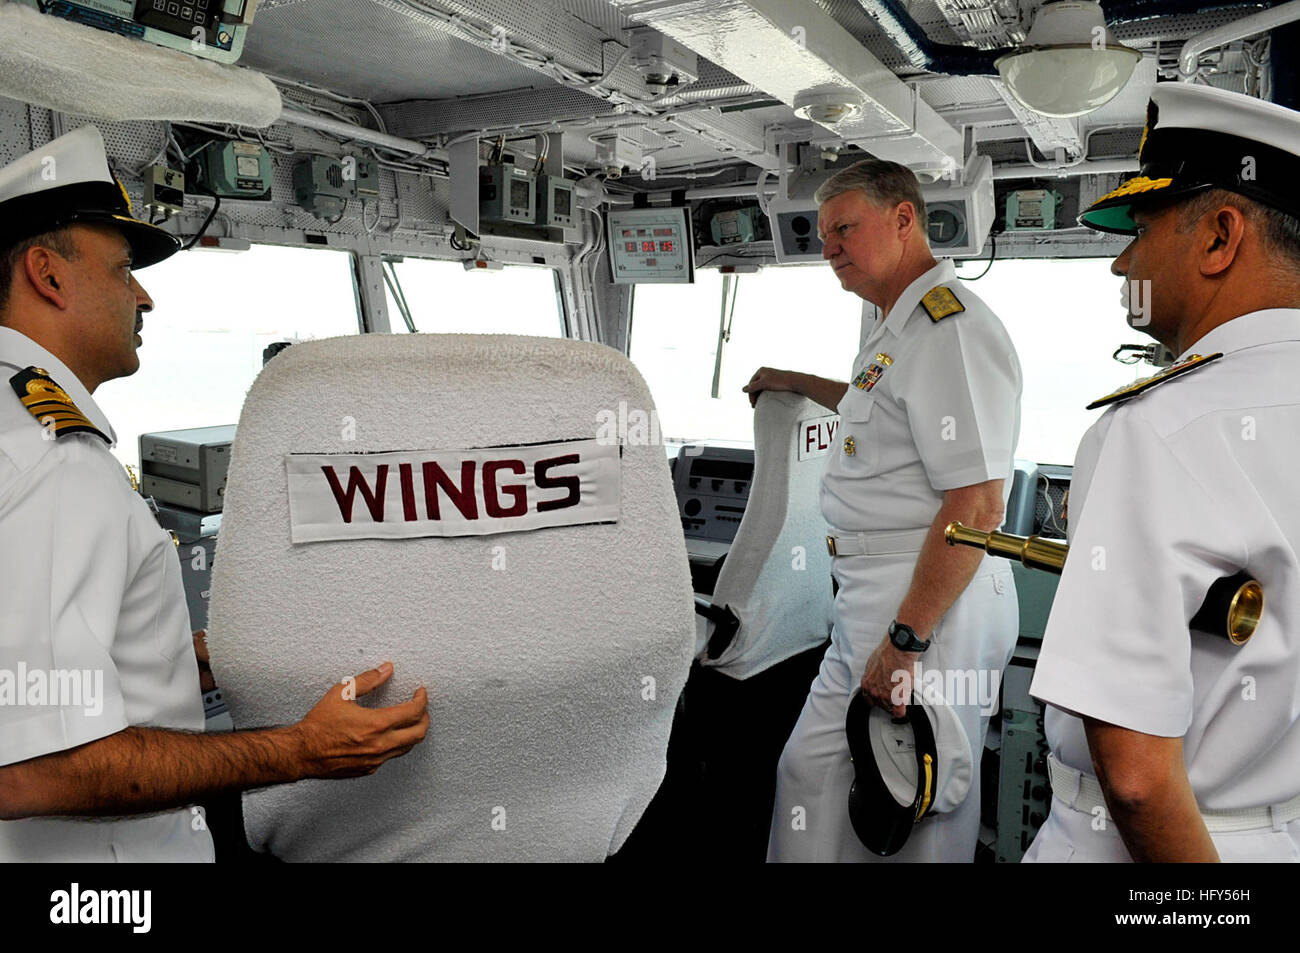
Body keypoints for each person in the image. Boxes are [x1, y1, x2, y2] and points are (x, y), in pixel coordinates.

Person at [0, 125, 429, 862]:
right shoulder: (49, 456)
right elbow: (31, 768)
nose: (143, 296)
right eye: (123, 267)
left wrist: (178, 655)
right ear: (49, 274)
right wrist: (301, 749)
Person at [1024, 83, 1300, 863]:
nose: (1120, 261)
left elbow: (1138, 779)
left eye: (1140, 230)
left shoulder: (1155, 428)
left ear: (1219, 236)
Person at [747, 158, 1022, 862]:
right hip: (881, 592)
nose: (827, 246)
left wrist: (907, 639)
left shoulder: (949, 327)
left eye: (844, 227)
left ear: (904, 220)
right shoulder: (898, 324)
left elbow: (979, 504)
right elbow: (877, 403)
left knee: (917, 805)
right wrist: (790, 380)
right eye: (822, 231)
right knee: (813, 779)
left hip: (928, 596)